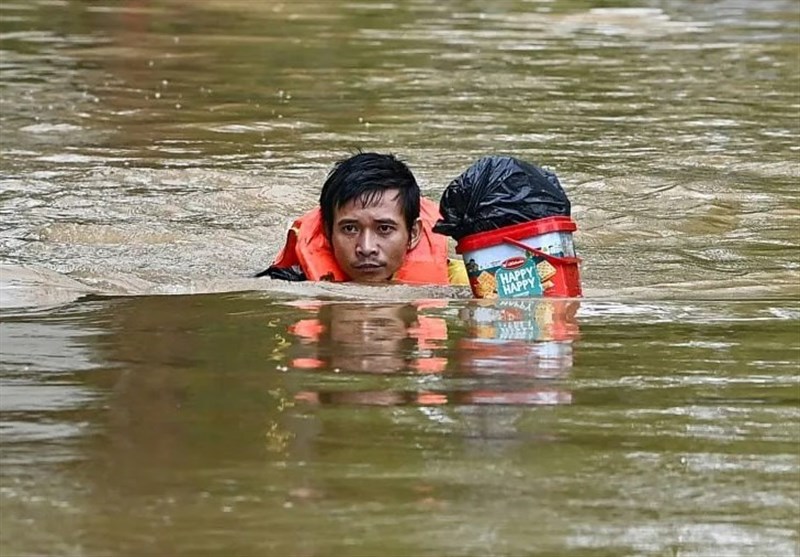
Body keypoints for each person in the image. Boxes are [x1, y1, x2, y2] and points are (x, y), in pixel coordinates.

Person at [257, 152, 466, 284]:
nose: (366, 248)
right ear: (328, 233)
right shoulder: (289, 282)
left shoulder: (461, 282)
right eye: (349, 229)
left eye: (384, 228)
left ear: (413, 234)